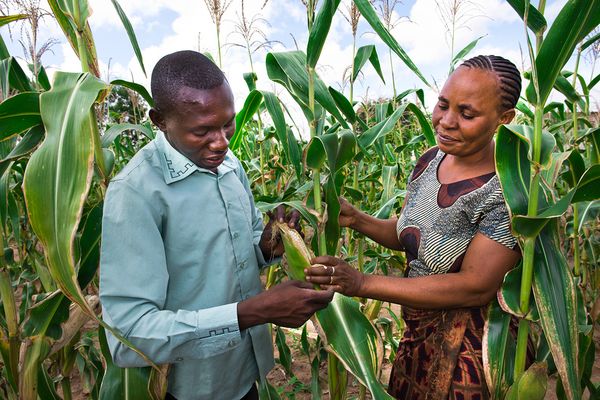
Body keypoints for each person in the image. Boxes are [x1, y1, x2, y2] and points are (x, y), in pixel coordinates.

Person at [99, 50, 333, 400]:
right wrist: (253, 312)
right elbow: (128, 334)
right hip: (191, 387)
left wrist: (270, 242)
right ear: (160, 120)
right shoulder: (136, 193)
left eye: (228, 124)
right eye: (203, 131)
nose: (222, 142)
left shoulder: (229, 166)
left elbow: (243, 247)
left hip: (244, 371)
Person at [306, 55, 522, 399]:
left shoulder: (508, 189)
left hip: (470, 351)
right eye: (442, 105)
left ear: (504, 119)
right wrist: (357, 219)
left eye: (467, 114)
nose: (446, 122)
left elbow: (475, 286)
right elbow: (411, 233)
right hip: (416, 337)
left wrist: (361, 282)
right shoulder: (430, 160)